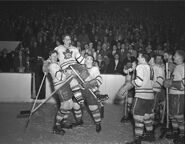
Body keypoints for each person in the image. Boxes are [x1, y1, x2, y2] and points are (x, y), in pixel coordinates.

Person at [54, 34, 89, 126]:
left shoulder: (75, 49)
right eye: (65, 39)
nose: (67, 41)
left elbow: (81, 60)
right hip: (65, 69)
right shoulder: (58, 48)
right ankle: (63, 120)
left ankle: (79, 115)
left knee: (84, 75)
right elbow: (52, 57)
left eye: (69, 39)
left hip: (75, 67)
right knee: (68, 101)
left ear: (70, 41)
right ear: (63, 40)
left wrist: (89, 62)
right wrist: (46, 64)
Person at [123, 51, 155, 144]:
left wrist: (131, 83)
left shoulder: (140, 67)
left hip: (141, 96)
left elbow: (139, 82)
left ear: (143, 59)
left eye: (139, 57)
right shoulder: (151, 68)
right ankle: (150, 135)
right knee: (146, 116)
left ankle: (138, 139)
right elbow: (153, 83)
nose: (137, 58)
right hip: (150, 96)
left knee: (137, 117)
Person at [45, 50, 74, 135]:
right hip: (60, 87)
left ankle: (63, 122)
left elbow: (63, 71)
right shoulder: (52, 66)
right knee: (65, 105)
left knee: (70, 104)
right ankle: (56, 126)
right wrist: (69, 74)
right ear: (50, 57)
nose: (54, 57)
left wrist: (67, 72)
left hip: (65, 85)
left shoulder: (57, 64)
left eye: (55, 56)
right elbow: (60, 76)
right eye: (52, 56)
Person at [163, 50, 185, 144]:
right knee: (172, 115)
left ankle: (182, 135)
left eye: (175, 56)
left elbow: (183, 84)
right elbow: (173, 80)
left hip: (178, 96)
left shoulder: (183, 67)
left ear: (180, 57)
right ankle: (175, 132)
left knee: (178, 116)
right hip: (172, 94)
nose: (173, 57)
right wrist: (169, 80)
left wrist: (171, 83)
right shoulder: (177, 67)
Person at [81, 54, 103, 133]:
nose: (89, 60)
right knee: (75, 105)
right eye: (87, 58)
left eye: (91, 59)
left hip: (91, 90)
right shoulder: (81, 69)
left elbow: (99, 79)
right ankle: (79, 121)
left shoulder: (95, 69)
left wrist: (90, 83)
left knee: (93, 107)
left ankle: (98, 123)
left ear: (92, 61)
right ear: (85, 60)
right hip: (81, 90)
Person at [149, 54, 165, 126]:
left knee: (154, 105)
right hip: (149, 89)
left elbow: (161, 79)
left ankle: (153, 122)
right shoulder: (151, 67)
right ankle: (150, 121)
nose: (159, 60)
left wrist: (154, 85)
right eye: (157, 58)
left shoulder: (160, 69)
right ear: (155, 59)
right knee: (150, 105)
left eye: (160, 59)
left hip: (156, 89)